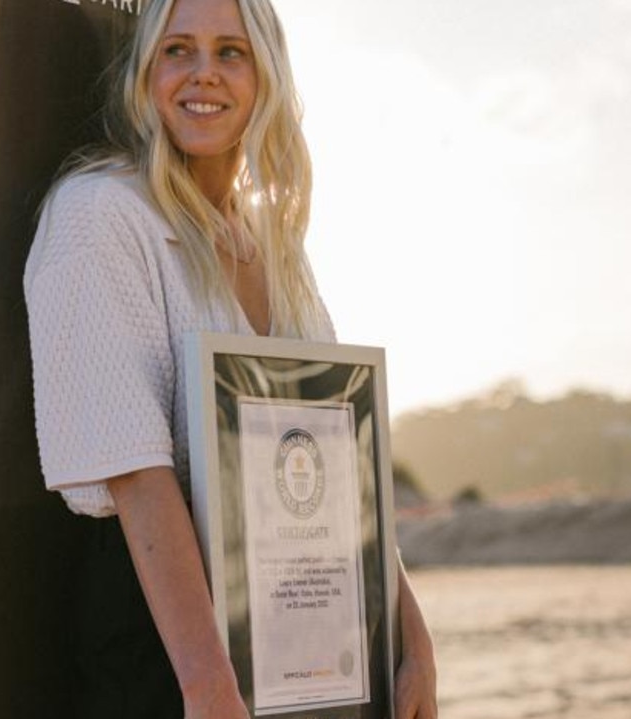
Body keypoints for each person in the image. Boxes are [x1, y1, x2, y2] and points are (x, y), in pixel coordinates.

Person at [24, 0, 438, 716]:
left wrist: (413, 644)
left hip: (302, 621)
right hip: (164, 633)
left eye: (230, 52)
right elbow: (137, 473)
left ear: (265, 75)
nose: (202, 73)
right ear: (144, 72)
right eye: (178, 50)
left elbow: (347, 468)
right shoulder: (100, 216)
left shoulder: (279, 250)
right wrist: (207, 684)